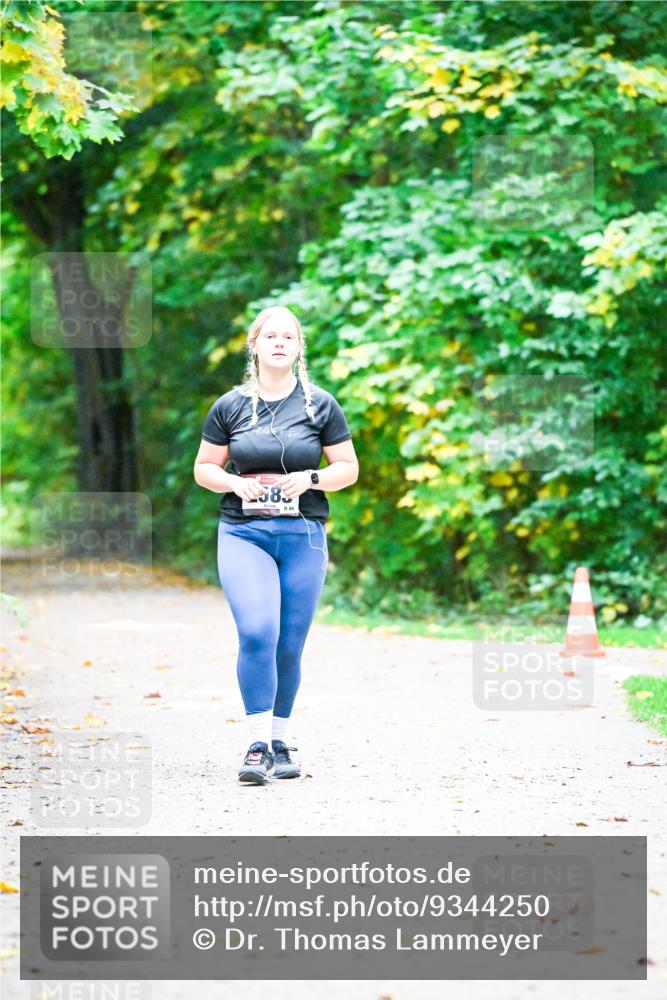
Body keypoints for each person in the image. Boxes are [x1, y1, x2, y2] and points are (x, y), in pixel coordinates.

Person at [194, 305, 358, 785]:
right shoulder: (230, 406)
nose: (280, 342)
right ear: (256, 345)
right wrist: (232, 484)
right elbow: (204, 468)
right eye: (271, 336)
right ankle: (256, 745)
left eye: (289, 336)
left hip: (304, 535)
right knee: (258, 631)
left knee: (290, 643)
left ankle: (281, 742)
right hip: (244, 533)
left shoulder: (320, 405)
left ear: (299, 347)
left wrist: (310, 477)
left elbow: (347, 468)